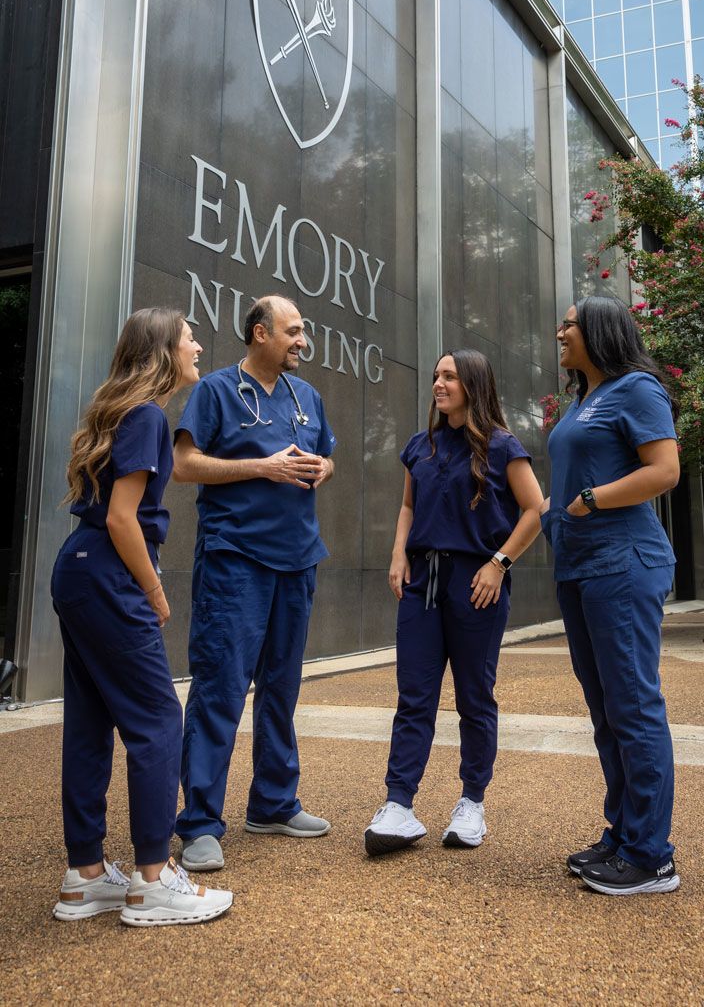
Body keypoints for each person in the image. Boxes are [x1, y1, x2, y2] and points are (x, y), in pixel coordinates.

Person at [51, 308, 233, 926]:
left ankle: (85, 875)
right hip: (108, 570)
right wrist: (155, 593)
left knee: (91, 719)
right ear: (162, 351)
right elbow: (124, 518)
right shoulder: (150, 414)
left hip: (77, 567)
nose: (199, 346)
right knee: (158, 719)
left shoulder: (121, 410)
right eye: (189, 339)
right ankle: (154, 879)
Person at [173, 294, 336, 872]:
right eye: (293, 332)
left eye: (304, 331)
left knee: (282, 689)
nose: (302, 341)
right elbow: (185, 465)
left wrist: (321, 467)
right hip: (235, 560)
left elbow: (327, 456)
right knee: (220, 687)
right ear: (260, 333)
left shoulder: (306, 396)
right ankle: (198, 823)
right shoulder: (216, 391)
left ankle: (272, 802)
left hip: (297, 561)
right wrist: (262, 466)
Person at [364, 350, 543, 855]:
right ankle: (399, 804)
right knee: (414, 696)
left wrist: (499, 563)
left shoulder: (504, 446)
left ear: (473, 386)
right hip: (422, 582)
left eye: (449, 377)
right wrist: (399, 554)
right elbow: (407, 506)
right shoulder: (420, 445)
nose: (438, 384)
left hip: (476, 583)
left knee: (473, 698)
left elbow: (535, 509)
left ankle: (472, 804)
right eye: (436, 375)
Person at [542, 295, 681, 897]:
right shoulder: (584, 398)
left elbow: (664, 470)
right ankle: (623, 834)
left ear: (599, 330)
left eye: (569, 323)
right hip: (580, 568)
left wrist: (592, 499)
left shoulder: (636, 389)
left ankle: (651, 858)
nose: (560, 332)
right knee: (605, 710)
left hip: (623, 563)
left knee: (633, 706)